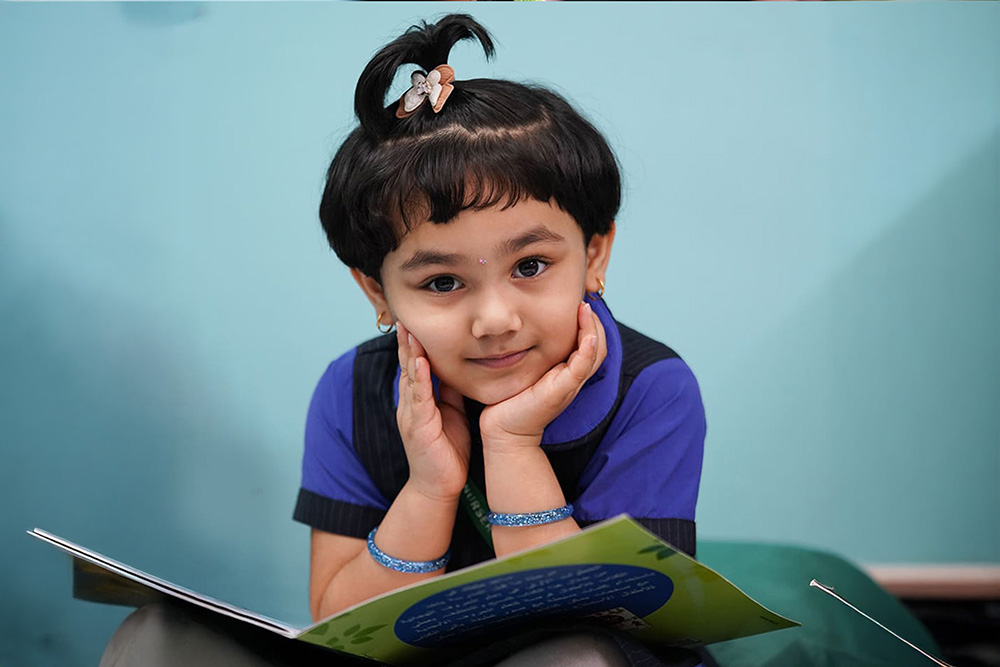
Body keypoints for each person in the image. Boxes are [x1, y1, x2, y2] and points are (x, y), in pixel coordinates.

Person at [101, 13, 707, 667]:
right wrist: (428, 488)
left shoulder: (649, 386)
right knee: (152, 638)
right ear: (378, 293)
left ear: (594, 255)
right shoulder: (354, 391)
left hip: (585, 651)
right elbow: (338, 617)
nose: (495, 317)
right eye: (443, 281)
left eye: (530, 266)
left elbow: (612, 619)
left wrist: (511, 445)